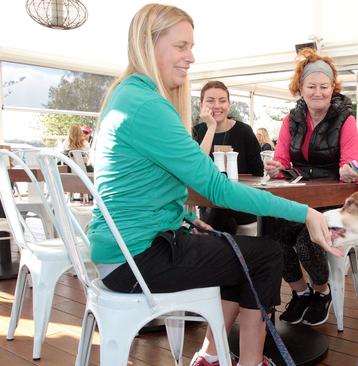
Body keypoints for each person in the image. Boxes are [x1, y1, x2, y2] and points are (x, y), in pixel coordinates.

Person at [88, 5, 340, 366]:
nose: (191, 56)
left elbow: (142, 191)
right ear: (149, 44)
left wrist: (183, 220)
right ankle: (245, 360)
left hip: (123, 252)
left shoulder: (128, 94)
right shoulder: (147, 106)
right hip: (136, 260)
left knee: (238, 252)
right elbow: (217, 189)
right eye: (181, 46)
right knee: (265, 254)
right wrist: (305, 212)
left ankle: (213, 354)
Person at [263, 48, 358, 326]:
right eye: (311, 86)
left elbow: (352, 165)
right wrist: (276, 167)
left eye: (324, 87)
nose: (318, 92)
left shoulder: (345, 119)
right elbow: (282, 160)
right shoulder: (291, 119)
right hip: (300, 197)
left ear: (333, 88)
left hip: (335, 205)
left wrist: (348, 170)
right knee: (272, 236)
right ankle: (300, 292)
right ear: (301, 88)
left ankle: (322, 291)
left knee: (308, 241)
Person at [192, 81, 263, 234]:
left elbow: (258, 172)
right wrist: (211, 127)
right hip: (210, 204)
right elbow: (197, 167)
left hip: (243, 201)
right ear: (201, 105)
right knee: (222, 214)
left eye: (222, 100)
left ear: (229, 104)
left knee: (222, 207)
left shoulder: (244, 131)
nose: (217, 106)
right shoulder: (197, 131)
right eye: (210, 101)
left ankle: (204, 240)